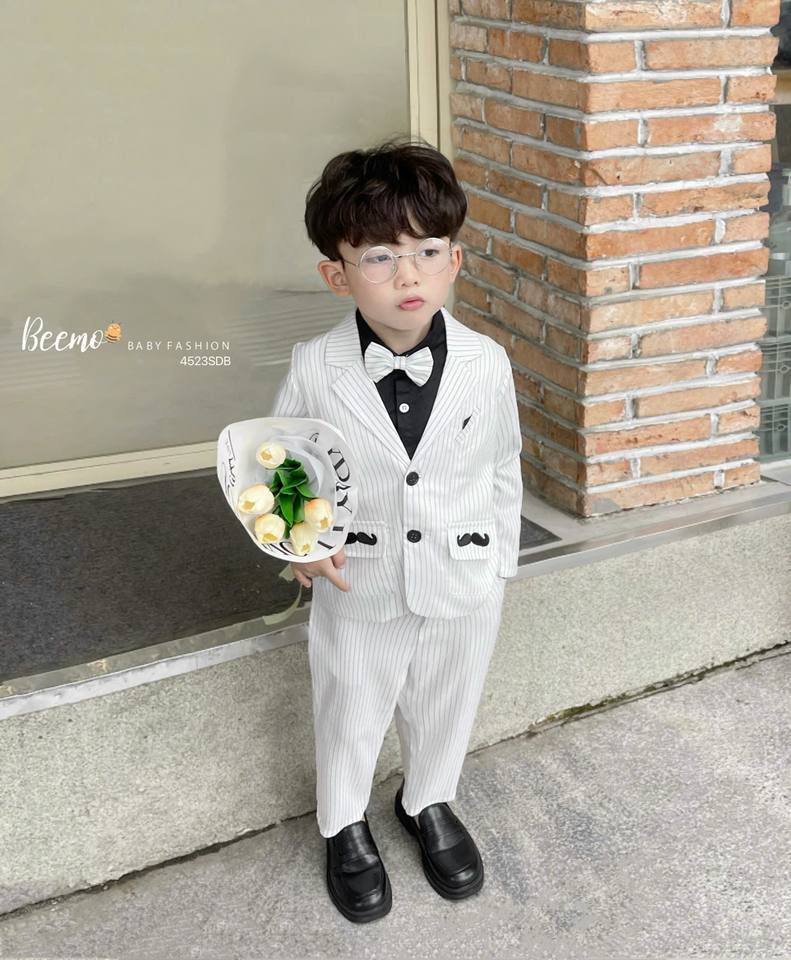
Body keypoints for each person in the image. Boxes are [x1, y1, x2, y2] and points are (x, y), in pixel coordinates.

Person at [269, 136, 523, 923]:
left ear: (455, 259)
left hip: (463, 574)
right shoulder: (315, 365)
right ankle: (343, 823)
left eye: (426, 251)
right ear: (336, 273)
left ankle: (427, 800)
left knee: (447, 700)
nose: (407, 275)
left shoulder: (486, 362)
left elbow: (502, 464)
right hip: (361, 577)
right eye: (379, 256)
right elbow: (283, 464)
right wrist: (302, 545)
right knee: (351, 704)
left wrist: (501, 563)